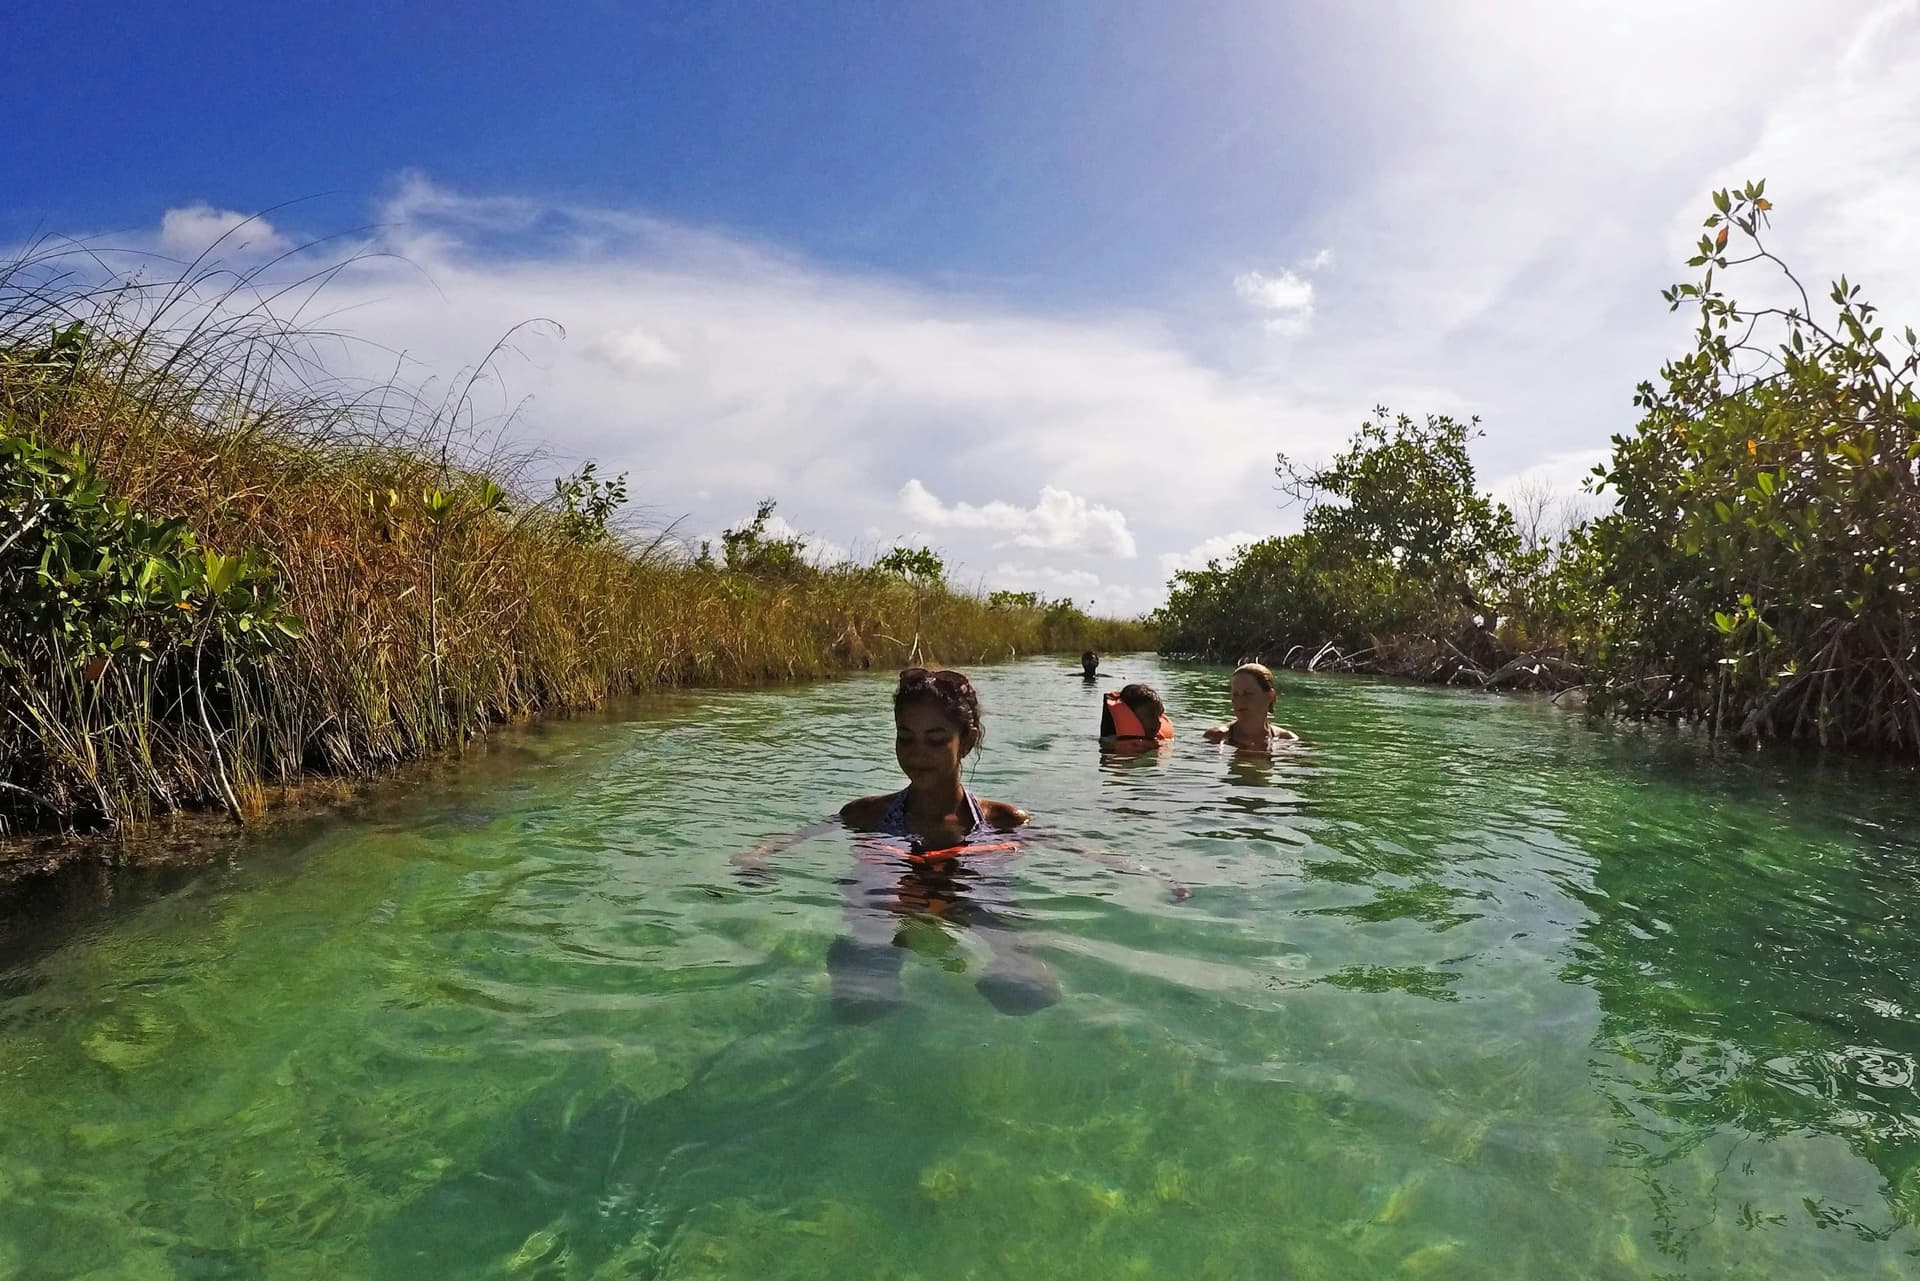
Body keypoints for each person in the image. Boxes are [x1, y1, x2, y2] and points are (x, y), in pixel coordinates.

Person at [733, 666, 1185, 1019]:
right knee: (860, 1004)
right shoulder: (868, 813)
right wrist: (756, 857)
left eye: (935, 740)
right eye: (905, 738)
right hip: (888, 904)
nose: (917, 753)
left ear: (965, 742)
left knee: (1030, 994)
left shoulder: (1001, 819)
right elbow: (799, 835)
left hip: (973, 900)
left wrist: (1154, 876)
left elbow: (1078, 848)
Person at [1204, 662, 1299, 752]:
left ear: (1270, 696)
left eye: (1248, 694)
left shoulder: (1287, 740)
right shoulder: (1217, 737)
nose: (1240, 701)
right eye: (1235, 694)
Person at [1100, 682, 1175, 748]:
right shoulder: (1111, 742)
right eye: (1151, 714)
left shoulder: (1160, 740)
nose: (1158, 721)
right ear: (1130, 715)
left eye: (1159, 715)